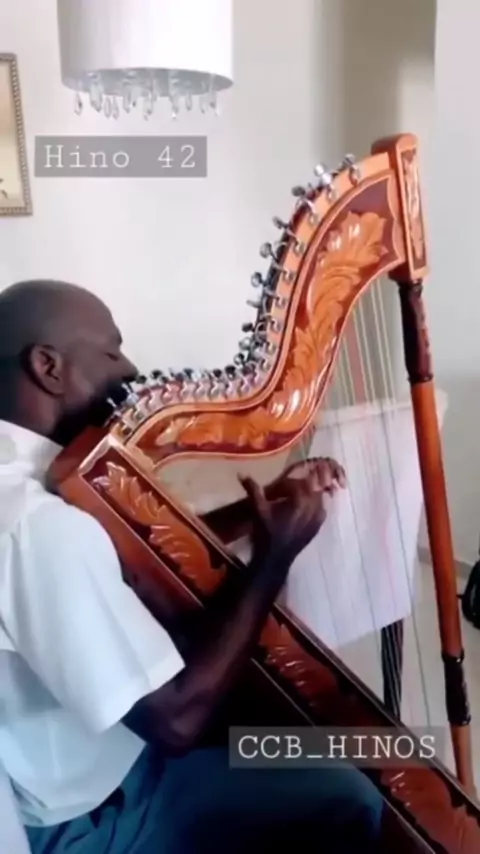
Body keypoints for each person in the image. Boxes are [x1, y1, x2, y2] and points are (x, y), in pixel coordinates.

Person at [0, 279, 384, 853]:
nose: (131, 370)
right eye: (111, 350)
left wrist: (254, 514)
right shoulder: (37, 525)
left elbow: (123, 553)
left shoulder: (27, 481)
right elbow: (179, 721)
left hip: (97, 764)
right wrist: (273, 558)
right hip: (96, 812)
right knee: (353, 794)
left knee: (317, 735)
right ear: (47, 367)